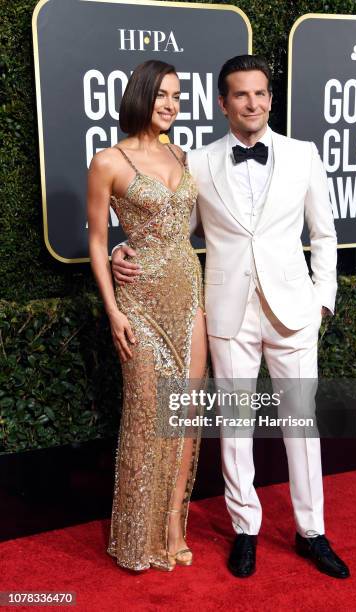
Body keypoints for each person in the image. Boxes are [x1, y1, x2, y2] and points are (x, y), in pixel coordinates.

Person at [111, 55, 350, 580]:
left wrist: (321, 302)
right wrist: (123, 250)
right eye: (241, 95)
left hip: (292, 313)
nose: (253, 103)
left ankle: (312, 532)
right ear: (223, 103)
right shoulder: (198, 162)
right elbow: (172, 229)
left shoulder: (302, 155)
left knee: (300, 426)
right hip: (227, 312)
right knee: (236, 428)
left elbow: (325, 234)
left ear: (270, 97)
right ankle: (246, 530)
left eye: (261, 93)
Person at [87, 59, 207, 572]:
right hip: (139, 302)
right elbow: (96, 240)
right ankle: (138, 536)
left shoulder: (182, 153)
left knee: (183, 417)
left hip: (189, 296)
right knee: (145, 419)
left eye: (177, 96)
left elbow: (188, 228)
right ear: (140, 95)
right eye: (162, 95)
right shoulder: (108, 162)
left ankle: (174, 527)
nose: (171, 104)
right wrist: (113, 309)